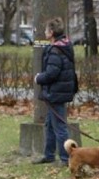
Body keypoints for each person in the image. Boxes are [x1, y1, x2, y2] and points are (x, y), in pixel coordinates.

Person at [33, 17, 77, 165]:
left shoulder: (55, 50)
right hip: (59, 92)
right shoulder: (65, 46)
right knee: (49, 125)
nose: (44, 32)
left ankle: (66, 158)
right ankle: (49, 154)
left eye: (46, 30)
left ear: (51, 32)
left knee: (60, 127)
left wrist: (39, 78)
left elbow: (52, 73)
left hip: (56, 93)